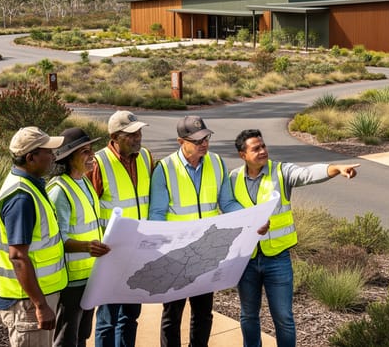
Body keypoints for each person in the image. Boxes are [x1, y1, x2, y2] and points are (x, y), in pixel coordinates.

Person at [230, 129, 359, 347]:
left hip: (277, 259)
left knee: (284, 318)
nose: (262, 151)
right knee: (248, 315)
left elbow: (308, 174)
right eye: (256, 148)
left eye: (263, 146)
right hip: (246, 260)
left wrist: (335, 168)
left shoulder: (281, 171)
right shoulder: (232, 179)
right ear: (243, 155)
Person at [149, 116, 243, 347]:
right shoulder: (165, 168)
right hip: (176, 256)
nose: (204, 143)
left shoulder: (217, 163)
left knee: (203, 313)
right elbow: (157, 215)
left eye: (206, 137)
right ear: (181, 141)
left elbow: (228, 202)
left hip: (206, 254)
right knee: (173, 315)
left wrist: (250, 218)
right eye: (197, 139)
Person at [0, 126, 68, 347]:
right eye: (47, 151)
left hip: (33, 297)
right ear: (31, 157)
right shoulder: (21, 198)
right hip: (26, 303)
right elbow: (17, 257)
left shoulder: (30, 186)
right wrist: (40, 305)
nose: (53, 156)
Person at [89, 110, 154, 347]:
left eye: (139, 132)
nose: (138, 138)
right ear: (114, 137)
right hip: (110, 254)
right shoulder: (99, 163)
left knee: (130, 316)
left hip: (138, 253)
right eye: (130, 135)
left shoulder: (146, 157)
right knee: (108, 318)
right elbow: (89, 208)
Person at [47, 127, 112, 347]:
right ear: (68, 157)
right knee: (66, 339)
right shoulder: (59, 191)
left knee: (82, 335)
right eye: (84, 151)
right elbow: (57, 239)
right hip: (70, 281)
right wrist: (87, 247)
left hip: (89, 275)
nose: (91, 155)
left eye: (91, 149)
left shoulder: (85, 183)